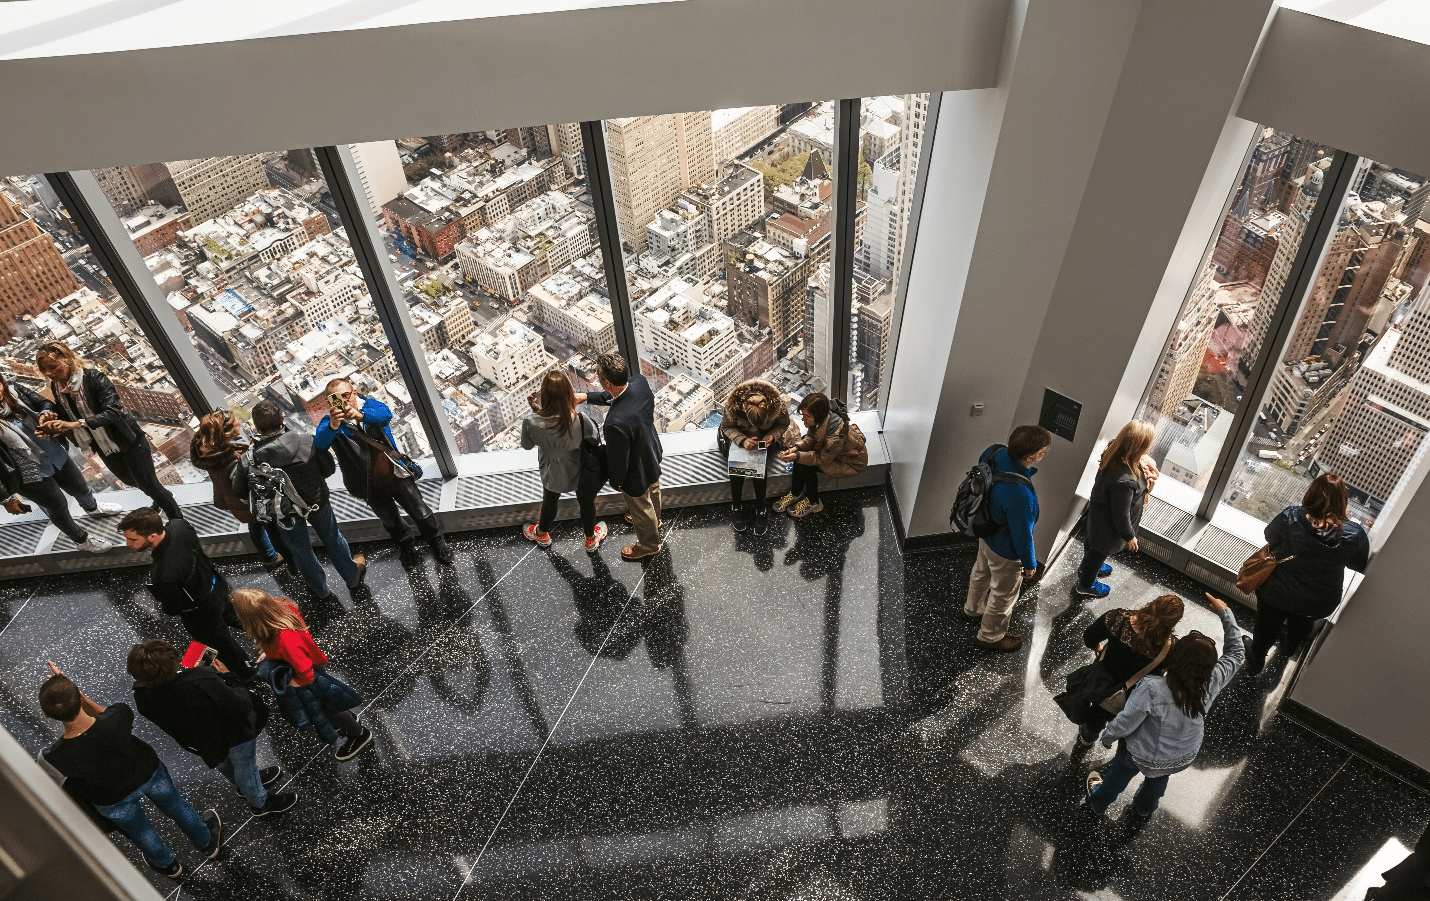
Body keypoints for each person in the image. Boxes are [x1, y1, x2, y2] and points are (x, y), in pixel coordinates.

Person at [40, 663, 222, 880]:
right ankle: (206, 843)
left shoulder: (54, 756)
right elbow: (106, 714)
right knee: (176, 805)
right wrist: (78, 694)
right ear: (79, 698)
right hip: (148, 772)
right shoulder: (117, 717)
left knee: (140, 831)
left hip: (111, 797)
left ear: (48, 716)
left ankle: (168, 865)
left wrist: (66, 694)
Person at [1086, 592, 1244, 817]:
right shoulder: (1214, 679)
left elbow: (1128, 720)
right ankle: (1144, 807)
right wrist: (1225, 613)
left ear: (1176, 659)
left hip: (1137, 753)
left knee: (1116, 777)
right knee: (1157, 781)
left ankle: (1099, 802)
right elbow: (1237, 652)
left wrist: (1109, 736)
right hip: (1180, 755)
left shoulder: (1152, 687)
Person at [128, 638, 297, 817]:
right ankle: (260, 803)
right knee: (245, 767)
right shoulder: (202, 680)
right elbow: (239, 705)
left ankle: (244, 786)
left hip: (200, 741)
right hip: (232, 734)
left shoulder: (142, 698)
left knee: (224, 765)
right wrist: (228, 676)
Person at [232, 400, 366, 602]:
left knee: (301, 550)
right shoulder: (306, 440)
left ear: (256, 427)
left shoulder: (249, 459)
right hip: (316, 501)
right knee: (332, 538)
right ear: (282, 419)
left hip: (283, 512)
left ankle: (320, 589)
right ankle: (351, 576)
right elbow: (328, 469)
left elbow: (238, 489)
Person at [34, 341, 181, 520]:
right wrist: (54, 426)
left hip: (128, 440)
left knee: (148, 484)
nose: (49, 373)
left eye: (53, 366)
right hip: (103, 445)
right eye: (44, 369)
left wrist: (75, 425)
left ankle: (176, 519)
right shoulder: (57, 387)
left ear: (68, 359)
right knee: (129, 480)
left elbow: (113, 412)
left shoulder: (94, 378)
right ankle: (163, 495)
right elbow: (67, 415)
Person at [314, 377, 452, 568]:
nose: (343, 401)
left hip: (395, 474)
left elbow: (385, 415)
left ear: (354, 393)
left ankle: (437, 542)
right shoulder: (331, 423)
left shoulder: (369, 406)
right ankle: (407, 547)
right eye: (335, 398)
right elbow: (320, 444)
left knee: (421, 512)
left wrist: (360, 415)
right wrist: (334, 425)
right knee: (391, 521)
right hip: (368, 483)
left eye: (345, 395)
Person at [1247, 473, 1370, 675]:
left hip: (1277, 590)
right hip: (1317, 600)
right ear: (1343, 501)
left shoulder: (1291, 516)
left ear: (1311, 492)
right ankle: (1289, 648)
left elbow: (1270, 536)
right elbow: (1357, 565)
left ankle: (1257, 657)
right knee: (1302, 624)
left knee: (1266, 625)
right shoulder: (1354, 535)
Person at [230, 588, 373, 760]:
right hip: (312, 660)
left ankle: (359, 734)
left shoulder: (285, 640)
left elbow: (306, 673)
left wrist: (292, 682)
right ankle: (348, 720)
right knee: (330, 702)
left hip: (306, 674)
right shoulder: (279, 606)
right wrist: (269, 653)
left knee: (329, 709)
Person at [119, 507, 255, 679]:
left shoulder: (162, 572)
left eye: (132, 539)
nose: (128, 544)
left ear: (152, 537)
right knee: (236, 617)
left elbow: (172, 607)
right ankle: (267, 633)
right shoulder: (179, 526)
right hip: (217, 585)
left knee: (223, 643)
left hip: (201, 612)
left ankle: (246, 673)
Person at [0, 373, 120, 553]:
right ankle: (81, 540)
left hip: (53, 452)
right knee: (57, 506)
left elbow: (44, 403)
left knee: (81, 487)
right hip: (26, 472)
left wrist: (45, 414)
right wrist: (4, 498)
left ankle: (93, 508)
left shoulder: (15, 391)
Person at [962, 425, 1052, 652]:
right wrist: (1030, 564)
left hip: (985, 532)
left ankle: (972, 608)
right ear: (1031, 457)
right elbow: (1022, 535)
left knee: (981, 572)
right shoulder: (1020, 495)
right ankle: (990, 636)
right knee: (1003, 595)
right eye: (1044, 451)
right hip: (1005, 549)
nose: (1045, 453)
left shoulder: (994, 452)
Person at [577, 353, 663, 562]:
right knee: (653, 489)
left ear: (606, 382)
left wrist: (617, 482)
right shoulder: (639, 383)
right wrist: (587, 397)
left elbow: (618, 459)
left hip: (635, 468)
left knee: (640, 504)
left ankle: (649, 544)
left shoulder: (615, 423)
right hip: (651, 450)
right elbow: (618, 396)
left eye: (598, 376)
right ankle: (655, 521)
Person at [1072, 594, 1184, 747]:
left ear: (1151, 604)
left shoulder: (1118, 619)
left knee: (1095, 718)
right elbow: (1164, 674)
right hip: (1132, 695)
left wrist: (1099, 648)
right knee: (1118, 718)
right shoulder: (1171, 648)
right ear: (1173, 623)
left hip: (1101, 680)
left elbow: (1089, 637)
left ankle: (1087, 739)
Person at [520, 370, 608, 552]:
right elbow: (593, 440)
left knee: (550, 501)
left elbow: (527, 445)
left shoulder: (530, 422)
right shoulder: (581, 421)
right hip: (580, 470)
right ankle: (590, 539)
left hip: (552, 471)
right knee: (586, 503)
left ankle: (542, 533)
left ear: (543, 395)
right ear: (569, 394)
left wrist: (536, 410)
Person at [190, 409, 286, 570]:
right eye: (235, 423)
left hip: (232, 499)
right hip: (247, 499)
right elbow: (243, 481)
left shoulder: (208, 450)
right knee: (268, 525)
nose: (239, 423)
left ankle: (268, 556)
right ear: (226, 432)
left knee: (255, 526)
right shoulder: (233, 457)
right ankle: (283, 558)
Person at [1076, 420, 1155, 598]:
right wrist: (1130, 536)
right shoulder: (1125, 481)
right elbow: (1121, 514)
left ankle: (1088, 566)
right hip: (1109, 528)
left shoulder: (1113, 452)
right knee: (1098, 551)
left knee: (1092, 544)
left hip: (1098, 515)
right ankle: (1086, 583)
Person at [720, 378, 798, 535]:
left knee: (759, 471)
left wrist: (771, 435)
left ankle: (760, 506)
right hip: (740, 439)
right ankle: (737, 505)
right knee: (737, 470)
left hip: (765, 441)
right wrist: (742, 440)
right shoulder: (733, 405)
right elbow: (726, 426)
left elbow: (783, 424)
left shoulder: (778, 406)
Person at [775, 393, 867, 520]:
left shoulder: (836, 436)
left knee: (806, 465)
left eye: (807, 416)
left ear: (817, 416)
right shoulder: (821, 418)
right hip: (834, 454)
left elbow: (821, 459)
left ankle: (814, 503)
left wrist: (796, 456)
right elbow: (810, 439)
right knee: (801, 457)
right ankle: (796, 493)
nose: (803, 419)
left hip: (849, 463)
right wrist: (796, 448)